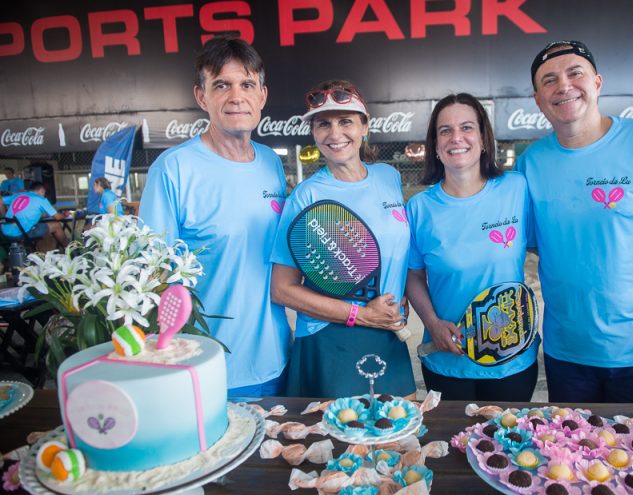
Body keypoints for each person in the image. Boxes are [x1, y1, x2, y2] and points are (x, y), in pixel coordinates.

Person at [515, 40, 633, 403]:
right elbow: (532, 244)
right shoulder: (531, 162)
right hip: (567, 354)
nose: (564, 86)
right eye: (549, 80)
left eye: (575, 73)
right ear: (538, 99)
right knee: (570, 457)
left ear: (598, 83)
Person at [139, 35, 290, 397]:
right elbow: (150, 275)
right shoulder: (173, 169)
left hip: (277, 358)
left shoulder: (271, 163)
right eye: (222, 85)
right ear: (201, 96)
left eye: (247, 84)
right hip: (206, 367)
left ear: (262, 97)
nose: (236, 96)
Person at [270, 80, 415, 398]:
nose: (335, 134)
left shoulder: (388, 177)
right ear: (314, 132)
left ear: (365, 125)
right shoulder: (307, 196)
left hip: (388, 328)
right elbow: (282, 290)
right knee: (341, 443)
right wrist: (361, 314)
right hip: (331, 338)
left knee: (399, 435)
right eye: (324, 124)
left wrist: (398, 297)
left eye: (346, 121)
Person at [404, 94, 540, 402]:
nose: (456, 138)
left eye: (467, 127)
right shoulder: (419, 208)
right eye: (445, 131)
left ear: (483, 139)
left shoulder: (517, 188)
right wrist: (432, 323)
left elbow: (546, 246)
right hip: (447, 362)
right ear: (436, 146)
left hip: (513, 362)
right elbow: (413, 277)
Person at [0, 181, 68, 247]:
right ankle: (69, 249)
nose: (44, 195)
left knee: (39, 225)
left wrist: (4, 215)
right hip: (20, 234)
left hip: (5, 231)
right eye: (44, 192)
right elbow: (58, 217)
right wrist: (64, 214)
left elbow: (1, 201)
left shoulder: (18, 195)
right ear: (42, 190)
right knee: (56, 225)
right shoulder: (41, 199)